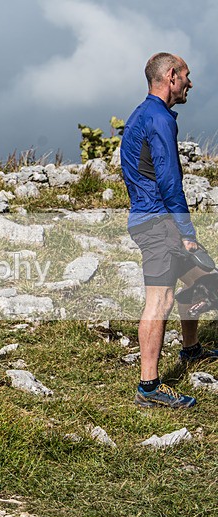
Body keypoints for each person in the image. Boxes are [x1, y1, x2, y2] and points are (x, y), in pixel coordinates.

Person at [121, 52, 216, 409]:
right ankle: (148, 387)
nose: (190, 84)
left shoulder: (141, 114)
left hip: (152, 218)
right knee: (159, 300)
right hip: (159, 222)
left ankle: (191, 349)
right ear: (171, 76)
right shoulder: (159, 119)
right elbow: (168, 178)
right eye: (187, 76)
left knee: (202, 279)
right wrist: (185, 230)